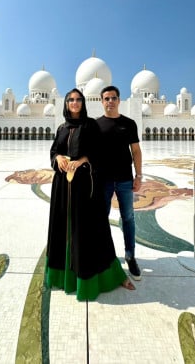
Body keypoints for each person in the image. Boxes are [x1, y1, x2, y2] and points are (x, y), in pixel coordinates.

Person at [45, 88, 135, 301]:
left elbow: (98, 152)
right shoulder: (61, 128)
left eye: (78, 100)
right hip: (62, 188)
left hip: (85, 187)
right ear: (66, 104)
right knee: (63, 228)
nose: (74, 103)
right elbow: (54, 150)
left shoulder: (90, 125)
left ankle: (109, 275)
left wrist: (83, 160)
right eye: (71, 100)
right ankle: (62, 275)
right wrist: (57, 158)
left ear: (83, 103)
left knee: (92, 229)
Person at [96, 85, 142, 281]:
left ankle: (130, 255)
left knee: (128, 218)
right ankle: (103, 255)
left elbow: (136, 151)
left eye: (113, 98)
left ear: (119, 100)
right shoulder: (95, 125)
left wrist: (138, 176)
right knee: (101, 218)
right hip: (103, 180)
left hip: (124, 179)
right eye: (106, 98)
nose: (110, 101)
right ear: (101, 101)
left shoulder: (129, 124)